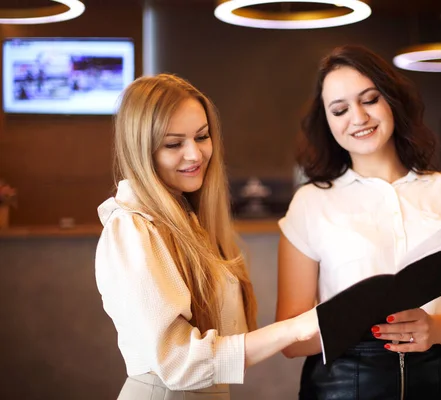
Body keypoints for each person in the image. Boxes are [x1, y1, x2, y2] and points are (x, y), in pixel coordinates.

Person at [276, 45, 441, 399]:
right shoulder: (310, 202)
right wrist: (355, 318)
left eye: (370, 99)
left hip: (440, 381)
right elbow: (289, 341)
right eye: (340, 109)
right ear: (328, 122)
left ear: (391, 100)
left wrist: (435, 328)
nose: (358, 117)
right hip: (343, 385)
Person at [94, 73, 319, 400]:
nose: (195, 155)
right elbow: (178, 364)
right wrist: (295, 327)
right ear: (141, 149)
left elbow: (224, 345)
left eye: (201, 137)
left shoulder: (187, 220)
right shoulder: (132, 228)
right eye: (174, 144)